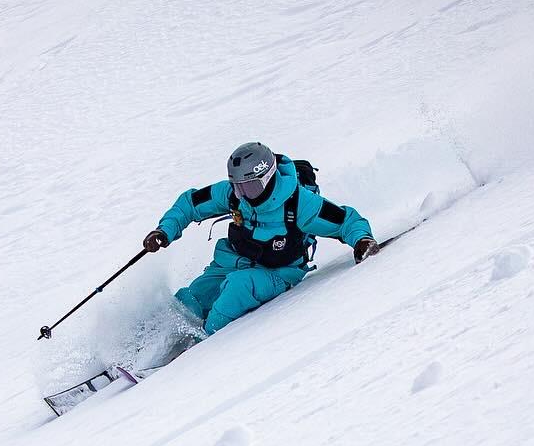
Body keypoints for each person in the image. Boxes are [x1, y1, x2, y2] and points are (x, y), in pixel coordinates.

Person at [143, 142, 378, 335]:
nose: (244, 195)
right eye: (239, 188)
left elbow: (345, 221)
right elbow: (190, 204)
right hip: (232, 261)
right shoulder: (233, 196)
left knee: (235, 290)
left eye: (251, 188)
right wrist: (164, 231)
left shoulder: (299, 203)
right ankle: (147, 346)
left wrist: (362, 240)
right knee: (188, 301)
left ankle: (197, 346)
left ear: (267, 178)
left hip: (277, 272)